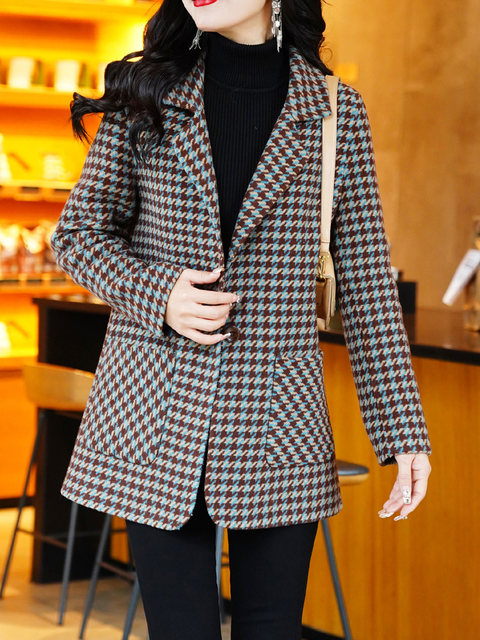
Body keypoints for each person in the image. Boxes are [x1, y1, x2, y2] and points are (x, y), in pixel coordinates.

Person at [50, 1, 432, 638]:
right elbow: (78, 236)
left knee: (271, 628)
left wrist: (402, 429)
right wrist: (160, 294)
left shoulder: (336, 111)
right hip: (153, 413)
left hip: (277, 421)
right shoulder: (145, 92)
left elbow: (366, 278)